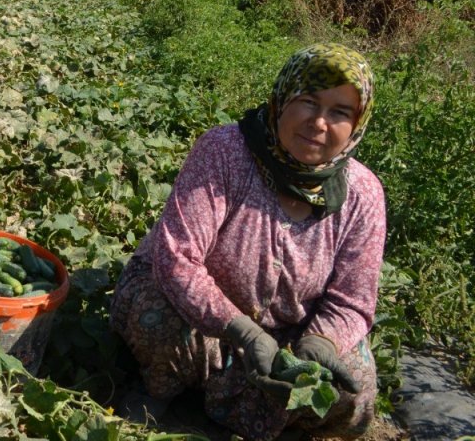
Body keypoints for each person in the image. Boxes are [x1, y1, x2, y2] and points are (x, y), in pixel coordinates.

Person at [110, 43, 384, 440]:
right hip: (201, 317)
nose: (319, 122)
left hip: (292, 332)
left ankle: (280, 418)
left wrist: (318, 344)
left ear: (357, 125)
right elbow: (178, 259)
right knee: (155, 316)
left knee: (356, 383)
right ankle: (158, 390)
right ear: (281, 99)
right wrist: (243, 330)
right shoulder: (224, 152)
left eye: (339, 112)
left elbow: (353, 301)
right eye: (308, 102)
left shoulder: (363, 194)